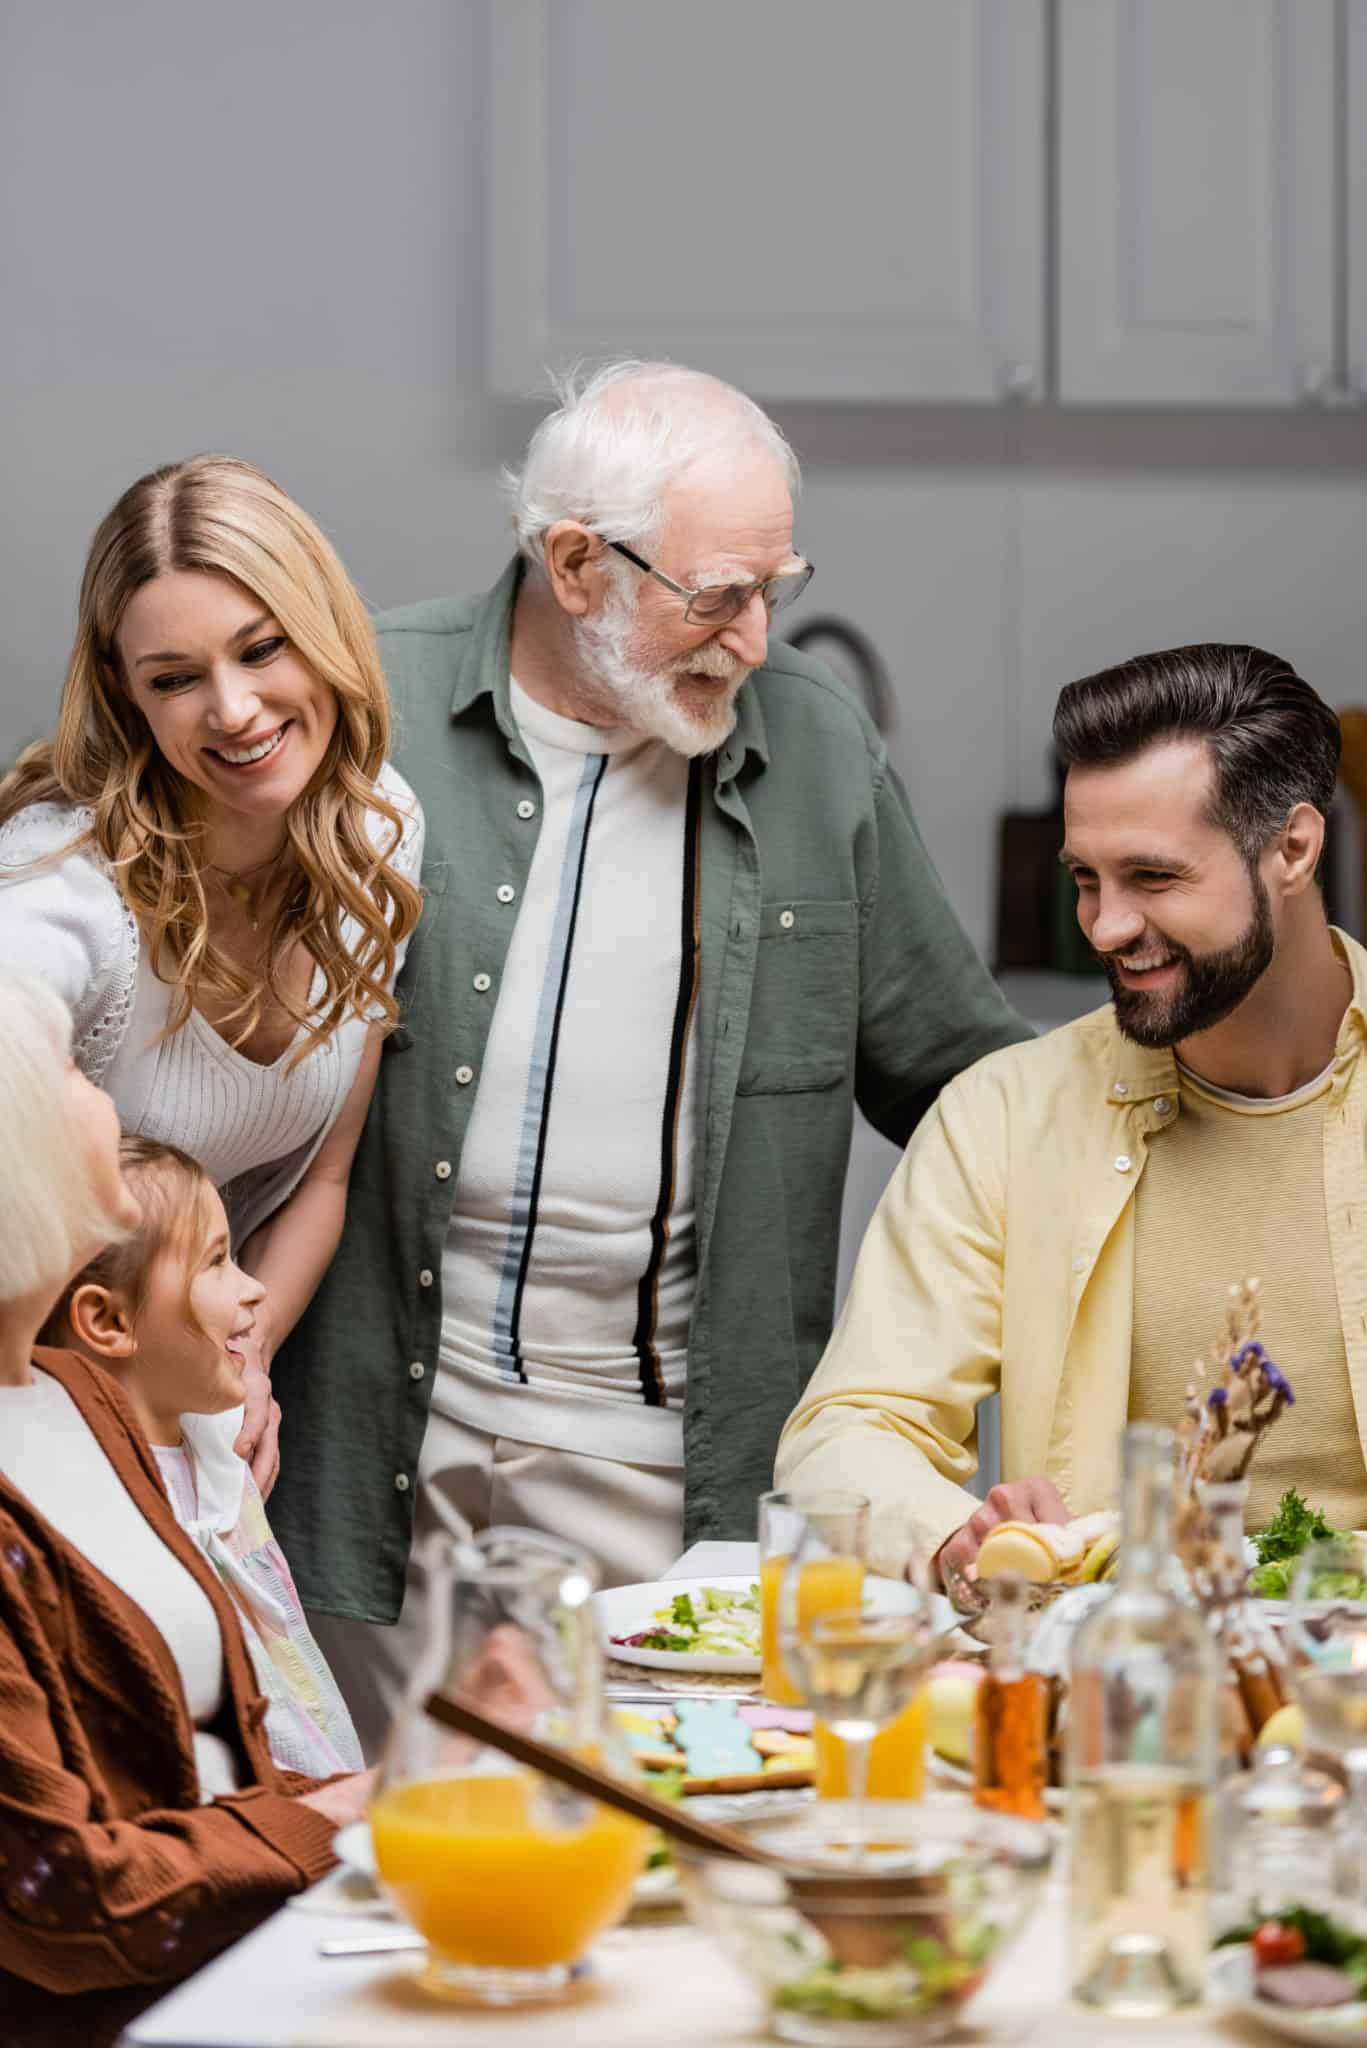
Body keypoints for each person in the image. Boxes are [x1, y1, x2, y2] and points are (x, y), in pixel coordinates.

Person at [269, 358, 1029, 1753]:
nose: (751, 638)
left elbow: (971, 1085)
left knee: (649, 1856)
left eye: (771, 589)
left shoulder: (811, 745)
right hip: (379, 1442)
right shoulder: (361, 704)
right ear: (573, 563)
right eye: (716, 596)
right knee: (376, 1881)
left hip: (665, 1478)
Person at [777, 642, 1365, 1584]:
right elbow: (847, 1433)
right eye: (1086, 877)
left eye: (1154, 878)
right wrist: (951, 1532)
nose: (1105, 926)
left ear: (1291, 849)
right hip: (1112, 1688)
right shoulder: (1002, 1116)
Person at [0, 455, 424, 1498]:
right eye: (175, 678)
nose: (232, 710)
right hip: (39, 1420)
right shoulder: (70, 892)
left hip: (193, 1408)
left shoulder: (380, 832)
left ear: (322, 632)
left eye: (261, 648)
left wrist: (244, 1360)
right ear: (126, 696)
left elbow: (320, 1178)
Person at [0, 976, 371, 2048]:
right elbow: (61, 1898)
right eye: (64, 1069)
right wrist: (332, 1819)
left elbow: (203, 1752)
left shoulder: (81, 1397)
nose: (102, 1086)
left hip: (242, 1950)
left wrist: (405, 1782)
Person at [42, 1136, 364, 1778]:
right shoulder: (88, 1516)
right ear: (109, 1321)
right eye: (216, 1263)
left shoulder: (217, 1452)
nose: (256, 1292)